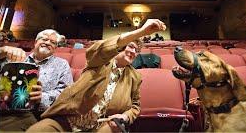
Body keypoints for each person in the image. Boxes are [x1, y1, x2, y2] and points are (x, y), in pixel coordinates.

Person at [26, 19, 166, 132]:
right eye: (130, 46)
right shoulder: (99, 62)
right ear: (120, 47)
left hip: (101, 124)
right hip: (67, 120)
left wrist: (125, 116)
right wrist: (140, 32)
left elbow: (135, 106)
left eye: (137, 50)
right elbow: (99, 50)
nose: (133, 51)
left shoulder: (135, 77)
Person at [0, 29, 74, 131]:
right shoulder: (16, 57)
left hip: (34, 114)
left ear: (55, 47)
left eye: (52, 42)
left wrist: (42, 97)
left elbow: (66, 92)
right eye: (44, 39)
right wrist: (2, 50)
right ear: (35, 42)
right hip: (3, 108)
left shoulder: (62, 64)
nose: (47, 43)